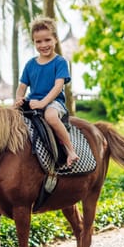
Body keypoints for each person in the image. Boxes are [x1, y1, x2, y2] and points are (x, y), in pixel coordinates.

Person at [15, 16, 79, 168]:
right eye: (38, 41)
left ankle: (70, 150)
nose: (43, 45)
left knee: (50, 116)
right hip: (33, 102)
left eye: (47, 40)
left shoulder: (60, 62)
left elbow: (58, 87)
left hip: (54, 103)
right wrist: (18, 98)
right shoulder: (30, 64)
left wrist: (43, 103)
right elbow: (22, 87)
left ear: (55, 39)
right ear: (34, 42)